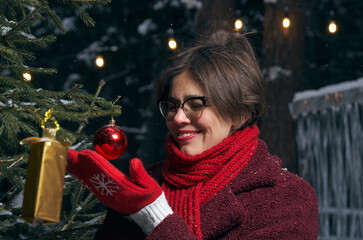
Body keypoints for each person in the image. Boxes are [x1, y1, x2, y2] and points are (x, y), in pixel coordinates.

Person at [67, 32, 319, 239]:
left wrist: (155, 217)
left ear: (240, 113)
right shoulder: (145, 184)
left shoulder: (287, 197)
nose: (178, 118)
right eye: (172, 105)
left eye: (195, 104)